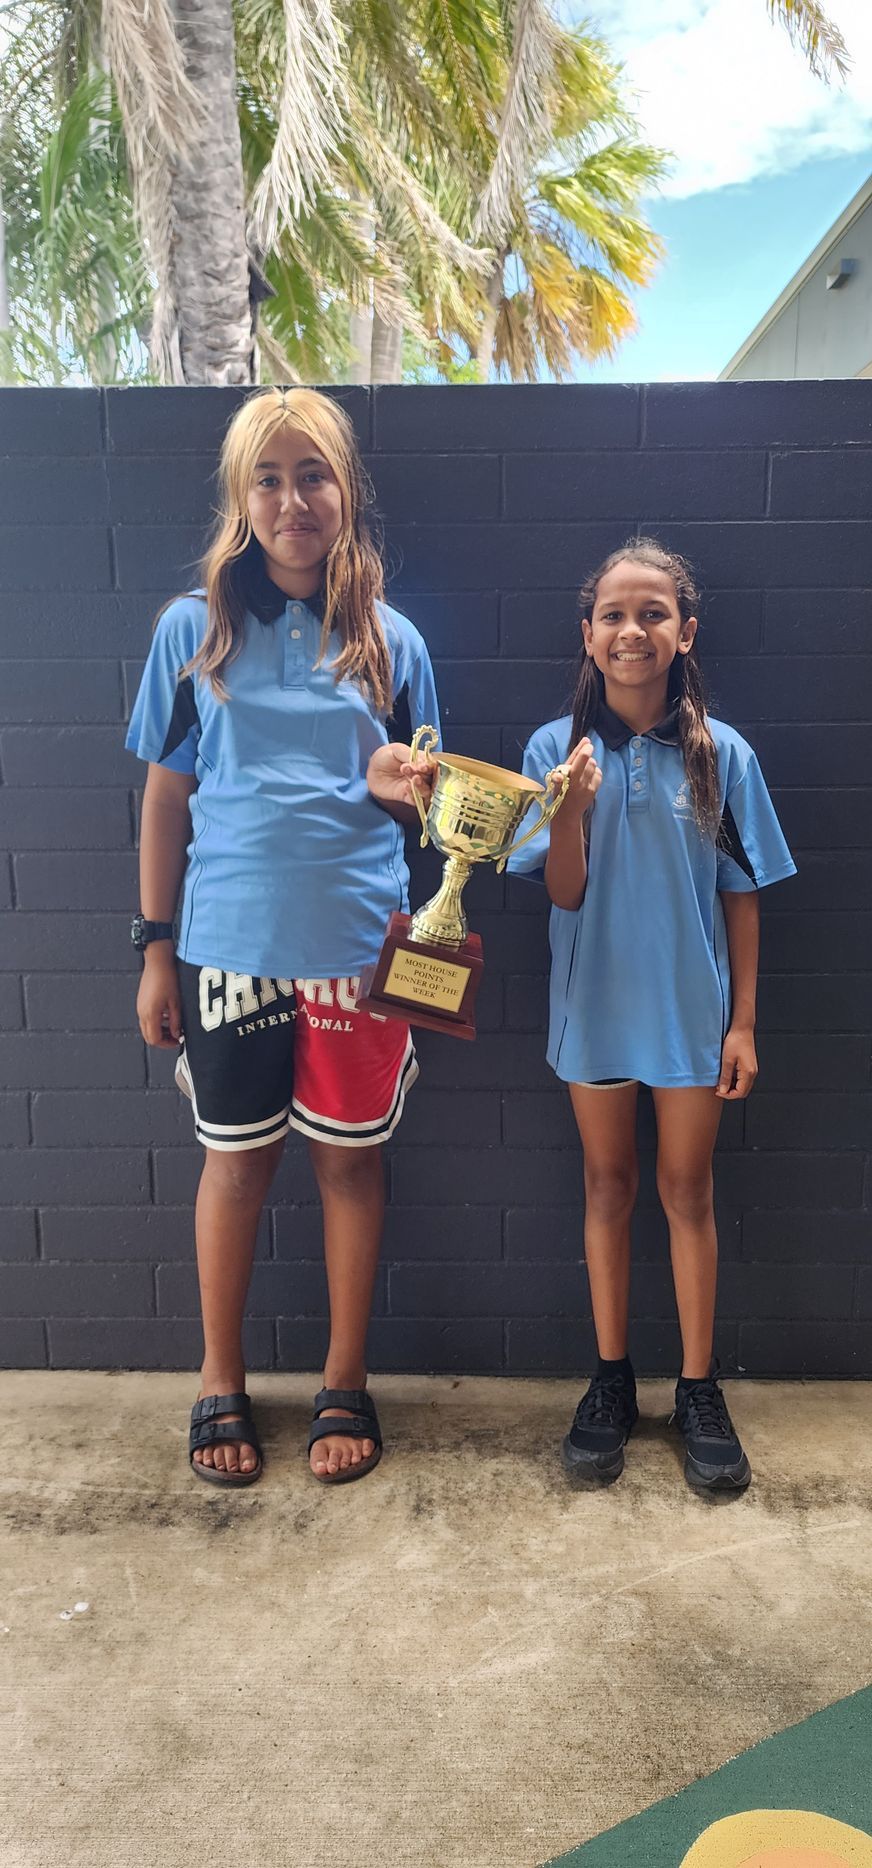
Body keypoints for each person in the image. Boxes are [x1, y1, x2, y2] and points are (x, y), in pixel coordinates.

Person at [126, 387, 438, 1488]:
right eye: (268, 477)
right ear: (239, 496)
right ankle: (221, 1376)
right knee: (237, 1164)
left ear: (345, 490)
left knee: (351, 1167)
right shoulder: (192, 625)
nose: (292, 498)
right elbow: (166, 798)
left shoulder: (392, 639)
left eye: (313, 475)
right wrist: (156, 946)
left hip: (360, 946)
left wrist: (405, 790)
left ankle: (342, 1376)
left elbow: (419, 804)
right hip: (226, 947)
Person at [508, 538, 795, 1494]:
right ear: (588, 637)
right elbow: (562, 894)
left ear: (685, 632)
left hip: (689, 1019)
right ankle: (611, 1380)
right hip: (592, 1013)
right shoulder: (554, 752)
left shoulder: (725, 753)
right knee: (607, 1187)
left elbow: (744, 894)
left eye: (654, 613)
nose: (634, 631)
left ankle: (700, 1388)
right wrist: (569, 812)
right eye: (615, 616)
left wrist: (743, 1021)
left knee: (687, 1192)